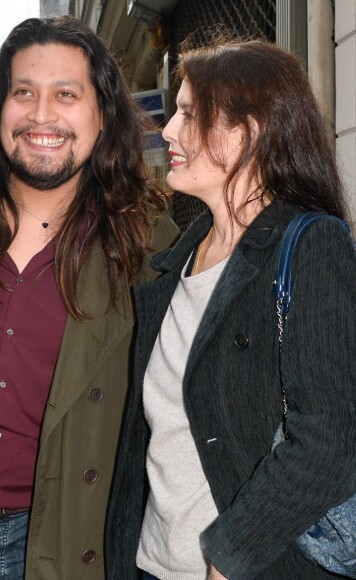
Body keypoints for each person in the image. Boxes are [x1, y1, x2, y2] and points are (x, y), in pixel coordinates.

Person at [0, 15, 179, 580]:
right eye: (23, 92)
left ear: (103, 116)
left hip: (67, 541)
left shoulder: (148, 246)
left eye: (66, 94)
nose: (41, 115)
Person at [106, 39, 356, 579]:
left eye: (190, 114)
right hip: (152, 564)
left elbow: (328, 442)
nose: (168, 129)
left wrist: (230, 556)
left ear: (249, 130)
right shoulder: (175, 258)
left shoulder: (311, 245)